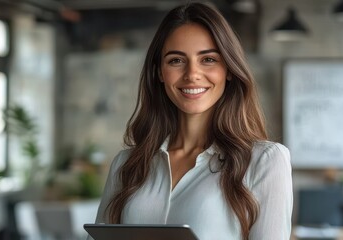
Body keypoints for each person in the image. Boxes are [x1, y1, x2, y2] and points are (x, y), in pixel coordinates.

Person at [89, 2, 293, 240]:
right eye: (176, 60)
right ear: (159, 72)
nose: (192, 74)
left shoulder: (265, 161)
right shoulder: (126, 165)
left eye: (208, 59)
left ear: (228, 69)